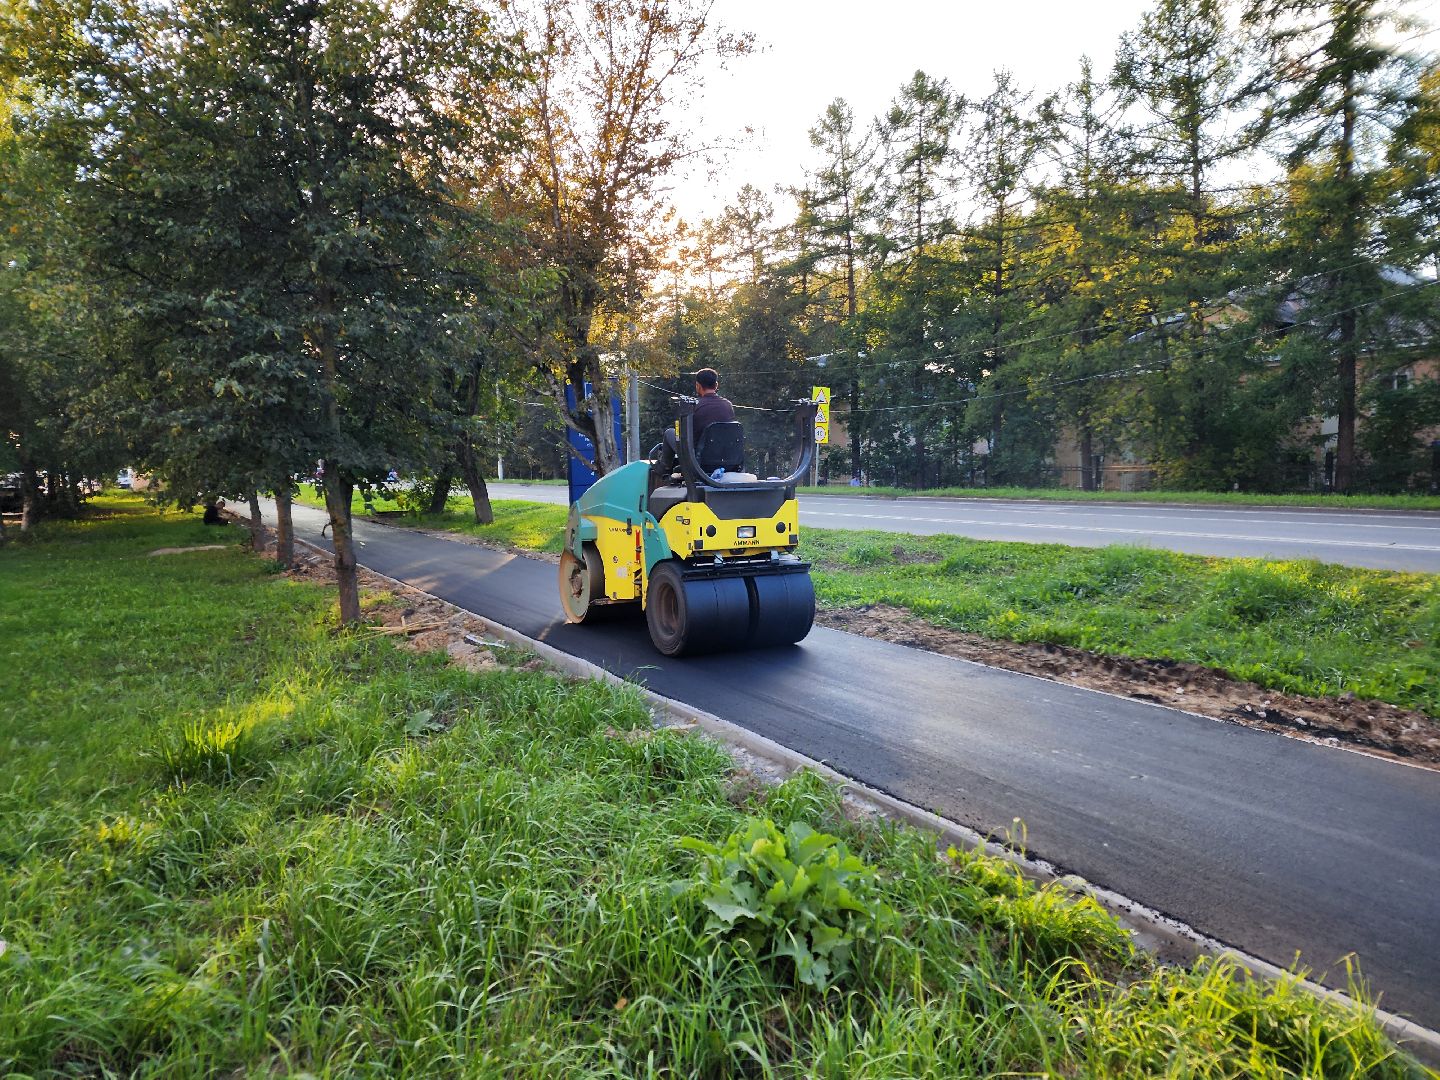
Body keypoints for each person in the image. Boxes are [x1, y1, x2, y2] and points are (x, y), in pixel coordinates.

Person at [656, 367, 735, 477]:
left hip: (699, 461)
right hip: (725, 459)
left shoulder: (694, 407)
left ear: (698, 385)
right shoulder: (728, 405)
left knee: (670, 432)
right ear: (716, 385)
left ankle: (664, 468)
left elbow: (684, 437)